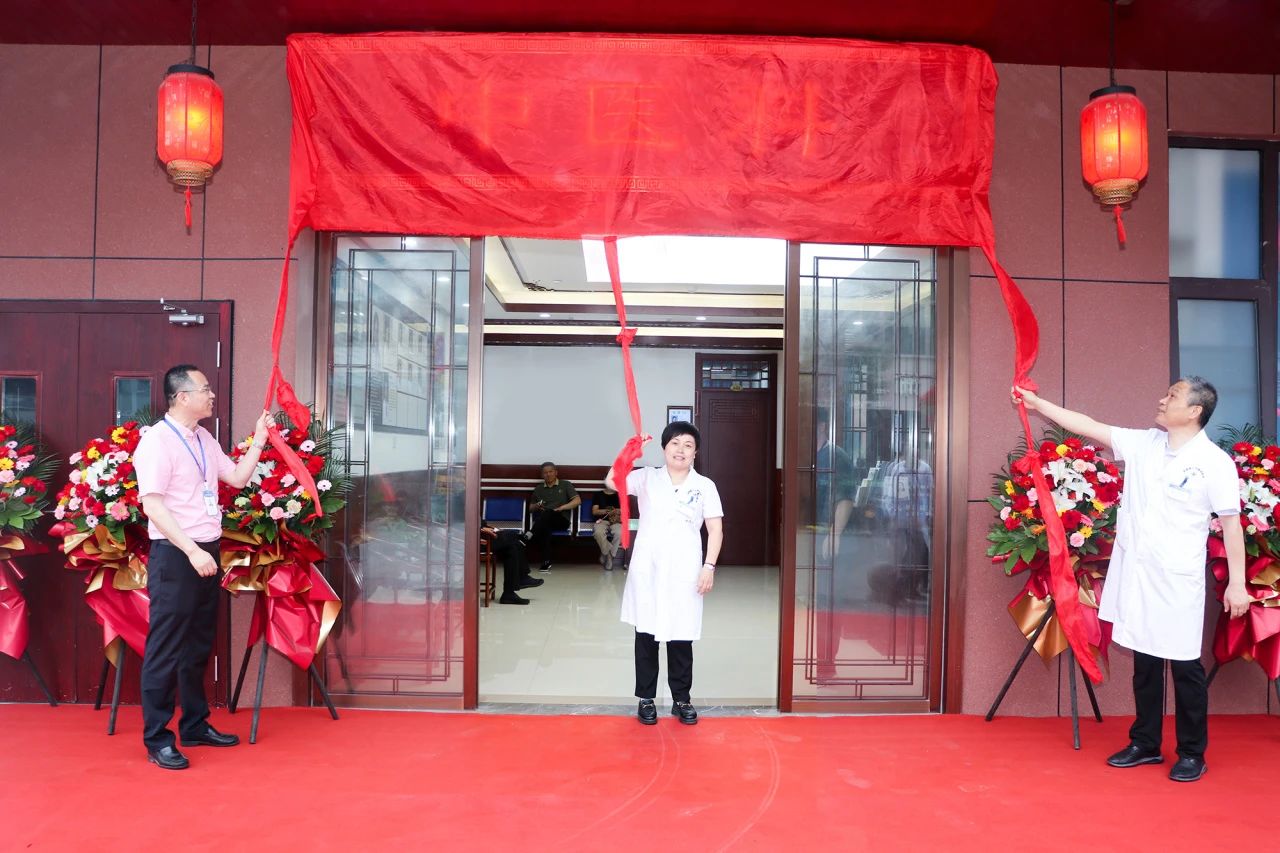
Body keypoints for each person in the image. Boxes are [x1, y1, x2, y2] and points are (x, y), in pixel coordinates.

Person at [1014, 377, 1249, 783]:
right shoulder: (1144, 444)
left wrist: (1238, 584)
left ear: (1195, 411)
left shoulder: (1214, 462)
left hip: (1177, 579)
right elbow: (1087, 424)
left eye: (1173, 396)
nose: (1162, 399)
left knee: (1185, 667)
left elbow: (1231, 525)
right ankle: (1145, 743)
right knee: (1145, 661)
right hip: (1138, 574)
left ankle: (1192, 752)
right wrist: (1037, 404)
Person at [134, 364, 273, 771]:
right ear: (182, 397)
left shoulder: (203, 437)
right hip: (178, 554)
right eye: (205, 389)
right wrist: (192, 550)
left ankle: (194, 725)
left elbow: (237, 479)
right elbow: (152, 504)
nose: (211, 395)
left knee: (197, 644)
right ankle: (158, 739)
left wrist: (259, 440)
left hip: (206, 550)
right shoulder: (157, 441)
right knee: (165, 648)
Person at [607, 421, 723, 726]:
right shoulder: (646, 477)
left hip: (686, 569)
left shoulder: (704, 486)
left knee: (681, 635)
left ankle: (681, 699)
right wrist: (629, 452)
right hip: (648, 568)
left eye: (688, 445)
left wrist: (709, 566)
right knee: (646, 634)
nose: (681, 450)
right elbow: (612, 481)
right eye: (675, 443)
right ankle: (646, 699)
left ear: (696, 452)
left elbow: (715, 529)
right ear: (664, 448)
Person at [525, 462, 580, 571]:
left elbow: (577, 501)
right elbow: (530, 509)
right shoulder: (539, 488)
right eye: (545, 473)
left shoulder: (565, 484)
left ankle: (529, 534)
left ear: (556, 472)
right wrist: (536, 506)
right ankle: (546, 562)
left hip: (561, 519)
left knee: (547, 514)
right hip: (545, 521)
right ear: (542, 475)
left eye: (551, 472)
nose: (548, 474)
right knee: (546, 527)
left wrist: (562, 507)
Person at [481, 520, 544, 604]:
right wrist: (481, 528)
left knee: (512, 547)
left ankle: (509, 593)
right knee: (513, 538)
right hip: (474, 541)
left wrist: (486, 526)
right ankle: (521, 579)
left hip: (480, 534)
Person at [591, 483, 623, 571]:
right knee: (598, 532)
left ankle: (606, 553)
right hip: (602, 520)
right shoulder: (598, 495)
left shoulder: (620, 495)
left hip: (616, 521)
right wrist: (608, 511)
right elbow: (595, 511)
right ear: (605, 480)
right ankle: (609, 555)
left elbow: (625, 511)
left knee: (620, 533)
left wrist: (617, 511)